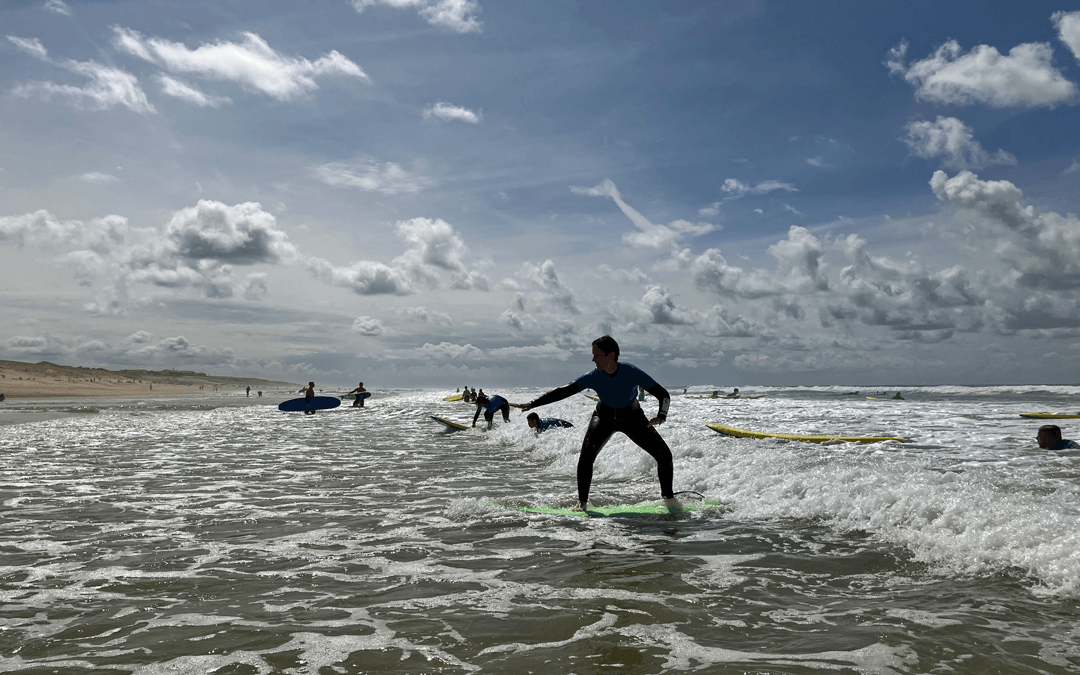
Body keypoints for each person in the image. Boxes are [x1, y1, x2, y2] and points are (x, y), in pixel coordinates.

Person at [518, 335, 679, 512]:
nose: (593, 359)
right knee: (586, 456)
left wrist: (661, 416)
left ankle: (669, 500)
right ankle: (582, 503)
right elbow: (563, 391)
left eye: (597, 355)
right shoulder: (593, 376)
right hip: (604, 416)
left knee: (664, 455)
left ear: (611, 355)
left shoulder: (631, 371)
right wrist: (533, 403)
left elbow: (663, 394)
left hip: (632, 416)